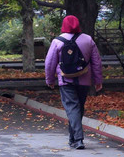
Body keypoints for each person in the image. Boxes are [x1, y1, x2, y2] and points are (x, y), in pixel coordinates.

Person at [44, 15, 103, 150]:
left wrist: (50, 79)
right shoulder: (88, 40)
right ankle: (73, 139)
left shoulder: (57, 41)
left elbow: (49, 63)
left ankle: (78, 139)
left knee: (72, 108)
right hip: (84, 80)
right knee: (78, 108)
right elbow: (96, 62)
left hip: (65, 80)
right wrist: (98, 80)